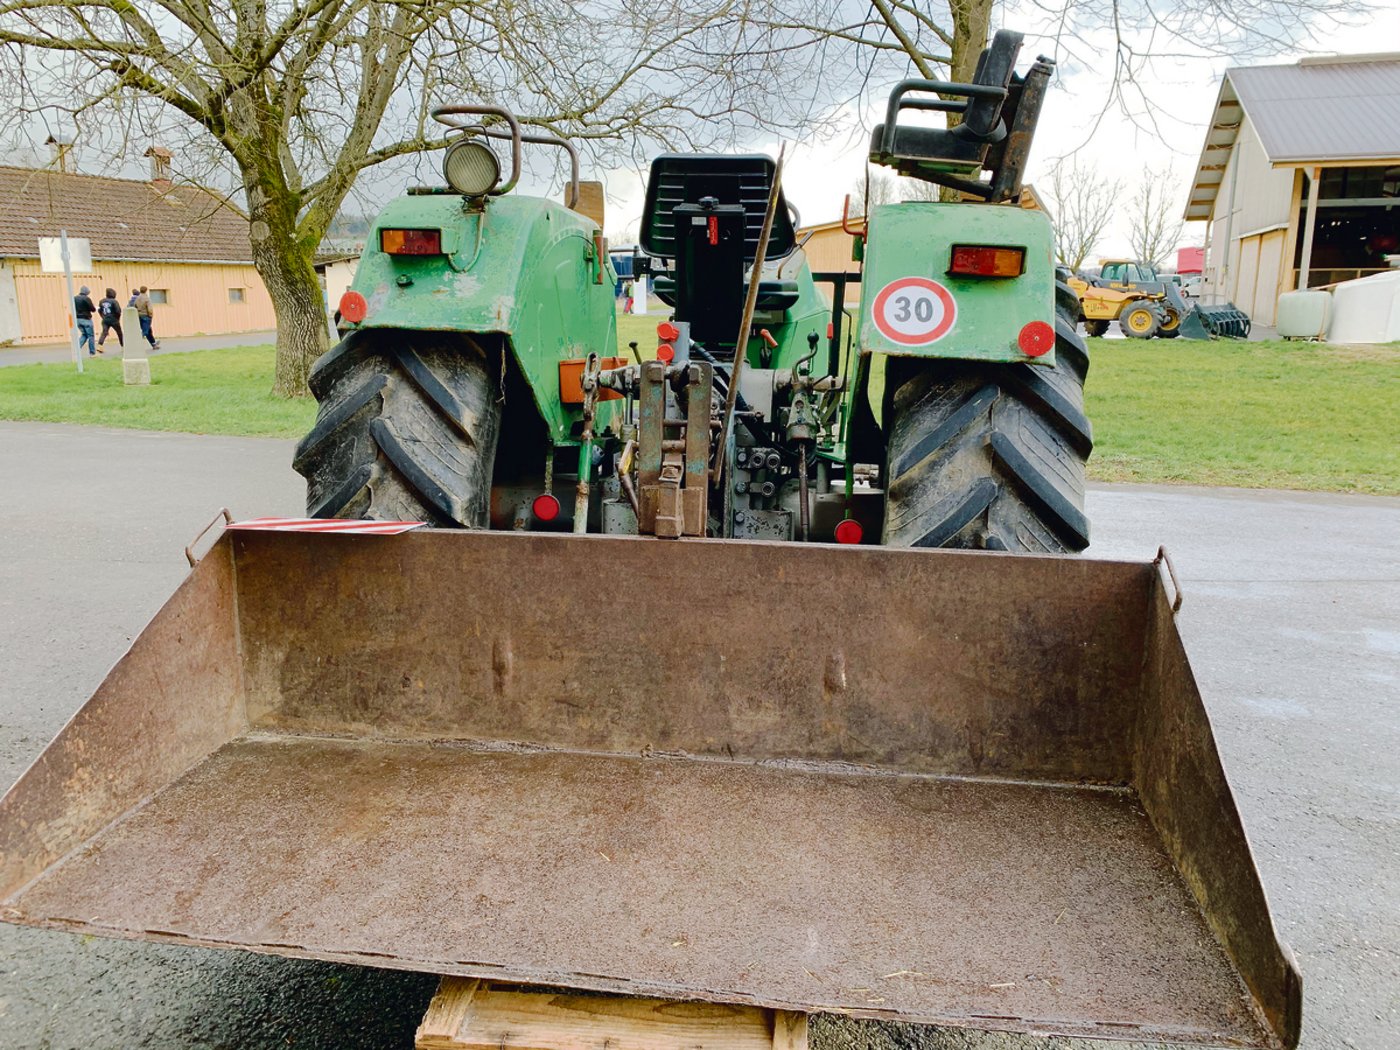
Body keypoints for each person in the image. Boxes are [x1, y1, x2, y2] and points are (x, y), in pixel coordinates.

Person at [73, 286, 98, 355]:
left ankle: (77, 349)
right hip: (86, 319)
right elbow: (92, 309)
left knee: (84, 334)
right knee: (90, 336)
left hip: (78, 319)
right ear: (87, 292)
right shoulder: (87, 299)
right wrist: (95, 308)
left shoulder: (75, 298)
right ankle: (92, 353)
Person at [133, 285, 159, 351]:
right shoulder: (147, 298)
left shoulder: (137, 298)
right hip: (146, 316)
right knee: (145, 331)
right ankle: (135, 344)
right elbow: (150, 308)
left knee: (149, 331)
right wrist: (150, 315)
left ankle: (154, 344)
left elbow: (135, 305)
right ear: (146, 290)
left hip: (139, 315)